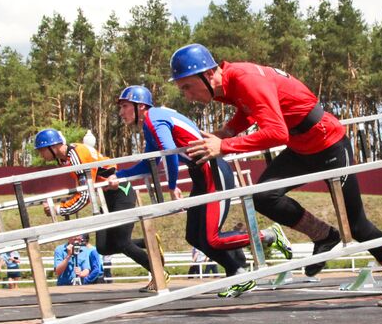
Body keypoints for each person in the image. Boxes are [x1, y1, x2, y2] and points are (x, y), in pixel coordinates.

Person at [170, 43, 382, 307]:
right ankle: (324, 235)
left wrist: (224, 146)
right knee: (263, 196)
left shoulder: (245, 79)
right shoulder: (229, 83)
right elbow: (249, 108)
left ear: (207, 74)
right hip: (300, 148)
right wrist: (228, 132)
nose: (187, 96)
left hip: (329, 144)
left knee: (356, 226)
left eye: (186, 87)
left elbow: (276, 133)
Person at [111, 85, 290, 297]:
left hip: (212, 172)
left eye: (124, 106)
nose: (121, 113)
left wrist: (172, 186)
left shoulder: (154, 118)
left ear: (140, 106)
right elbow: (149, 163)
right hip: (201, 174)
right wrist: (118, 176)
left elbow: (169, 153)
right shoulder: (150, 126)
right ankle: (237, 272)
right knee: (194, 237)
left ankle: (269, 235)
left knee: (211, 238)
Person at [34, 127, 155, 279]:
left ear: (53, 146)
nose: (40, 154)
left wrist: (59, 209)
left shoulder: (77, 156)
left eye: (41, 150)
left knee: (122, 242)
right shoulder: (66, 157)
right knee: (103, 247)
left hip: (120, 192)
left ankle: (159, 272)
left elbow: (85, 196)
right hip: (106, 196)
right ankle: (147, 242)